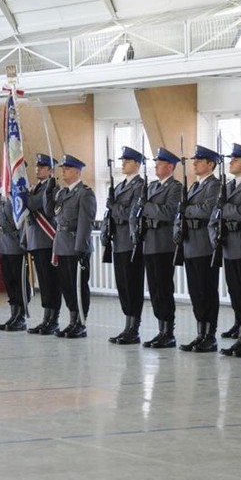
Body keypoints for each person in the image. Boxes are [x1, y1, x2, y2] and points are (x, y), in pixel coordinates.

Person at [209, 143, 241, 357]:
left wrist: (225, 208)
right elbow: (215, 214)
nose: (230, 162)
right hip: (229, 244)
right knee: (235, 293)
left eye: (235, 159)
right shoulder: (229, 186)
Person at [131, 147, 182, 348]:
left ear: (170, 166)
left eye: (159, 163)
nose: (155, 166)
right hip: (149, 242)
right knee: (153, 289)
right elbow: (138, 211)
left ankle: (168, 331)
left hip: (163, 243)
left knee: (163, 287)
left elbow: (170, 212)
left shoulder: (175, 187)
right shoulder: (151, 187)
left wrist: (147, 207)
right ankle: (161, 328)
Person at [177, 145, 222, 352]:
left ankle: (210, 335)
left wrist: (188, 210)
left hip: (204, 243)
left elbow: (208, 210)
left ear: (210, 164)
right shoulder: (194, 186)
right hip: (190, 243)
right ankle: (200, 332)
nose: (194, 163)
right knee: (196, 292)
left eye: (199, 160)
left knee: (207, 292)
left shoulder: (214, 185)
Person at [46, 154, 96, 339]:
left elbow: (85, 223)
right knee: (66, 285)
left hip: (76, 245)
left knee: (78, 286)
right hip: (62, 244)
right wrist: (48, 193)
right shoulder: (63, 193)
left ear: (76, 171)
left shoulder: (85, 193)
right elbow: (52, 212)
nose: (63, 171)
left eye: (66, 169)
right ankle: (72, 319)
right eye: (62, 169)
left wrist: (81, 248)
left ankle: (81, 323)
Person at [105, 147, 146, 345]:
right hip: (118, 241)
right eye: (123, 161)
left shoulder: (140, 186)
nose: (123, 164)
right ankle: (127, 324)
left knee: (132, 285)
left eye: (127, 161)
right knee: (122, 285)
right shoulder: (120, 186)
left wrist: (114, 207)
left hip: (131, 241)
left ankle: (134, 328)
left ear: (137, 164)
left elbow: (133, 213)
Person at [25, 154, 61, 335]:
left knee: (51, 281)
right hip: (36, 240)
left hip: (47, 240)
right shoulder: (36, 187)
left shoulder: (51, 188)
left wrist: (21, 193)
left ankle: (53, 318)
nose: (37, 169)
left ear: (51, 171)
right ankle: (46, 317)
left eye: (42, 166)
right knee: (44, 283)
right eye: (37, 166)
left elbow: (32, 204)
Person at [0, 179, 29, 331]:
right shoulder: (3, 197)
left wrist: (24, 243)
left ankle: (21, 316)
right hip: (3, 245)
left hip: (16, 245)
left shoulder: (21, 196)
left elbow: (25, 221)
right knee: (8, 281)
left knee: (19, 282)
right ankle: (14, 314)